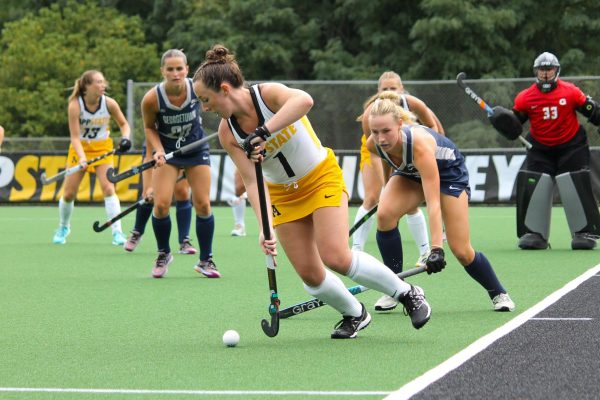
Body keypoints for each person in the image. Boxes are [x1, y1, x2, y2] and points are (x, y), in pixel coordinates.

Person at [192, 44, 431, 339]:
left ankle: (407, 293)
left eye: (206, 99)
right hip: (282, 194)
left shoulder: (267, 95)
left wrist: (264, 132)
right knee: (309, 273)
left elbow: (304, 100)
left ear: (225, 89)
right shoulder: (229, 133)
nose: (205, 107)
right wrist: (264, 227)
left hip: (320, 177)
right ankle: (354, 313)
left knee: (336, 256)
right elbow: (252, 181)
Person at [368, 91, 515, 312]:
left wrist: (436, 249)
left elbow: (433, 201)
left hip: (448, 174)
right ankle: (396, 287)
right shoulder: (374, 144)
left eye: (386, 131)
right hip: (410, 173)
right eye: (375, 131)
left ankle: (499, 293)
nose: (381, 138)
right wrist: (389, 191)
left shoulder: (419, 146)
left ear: (400, 124)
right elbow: (390, 164)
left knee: (461, 250)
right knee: (385, 215)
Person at [489, 52, 600, 250]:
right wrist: (502, 121)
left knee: (575, 183)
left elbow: (592, 110)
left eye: (549, 69)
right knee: (536, 185)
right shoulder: (525, 97)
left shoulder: (571, 92)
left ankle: (584, 232)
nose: (546, 74)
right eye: (542, 70)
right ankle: (535, 233)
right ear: (536, 72)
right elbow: (514, 124)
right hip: (540, 149)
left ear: (557, 71)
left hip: (572, 146)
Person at [354, 71, 445, 312]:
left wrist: (435, 150)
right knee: (378, 203)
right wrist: (390, 184)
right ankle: (387, 278)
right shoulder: (371, 116)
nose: (390, 92)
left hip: (419, 153)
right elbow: (377, 147)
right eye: (386, 88)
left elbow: (435, 127)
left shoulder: (413, 104)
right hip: (388, 155)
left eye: (394, 88)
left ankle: (427, 249)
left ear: (402, 89)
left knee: (415, 205)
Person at [141, 49, 218, 279]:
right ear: (162, 71)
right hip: (169, 154)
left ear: (187, 69)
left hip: (196, 149)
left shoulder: (197, 88)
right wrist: (159, 150)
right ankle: (163, 253)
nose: (175, 73)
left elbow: (217, 103)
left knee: (203, 204)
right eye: (170, 69)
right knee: (161, 205)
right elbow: (148, 128)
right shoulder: (152, 98)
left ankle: (206, 260)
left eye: (180, 69)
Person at [52, 70, 131, 245]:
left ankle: (117, 232)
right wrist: (81, 158)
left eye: (103, 82)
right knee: (69, 193)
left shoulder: (109, 103)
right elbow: (74, 137)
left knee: (109, 189)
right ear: (86, 86)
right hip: (79, 149)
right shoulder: (75, 105)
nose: (103, 85)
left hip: (102, 149)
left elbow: (124, 124)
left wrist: (125, 138)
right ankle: (63, 227)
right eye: (98, 82)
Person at [123, 142, 197, 254]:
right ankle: (137, 232)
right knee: (149, 196)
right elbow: (148, 156)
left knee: (182, 192)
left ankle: (184, 241)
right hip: (157, 150)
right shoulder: (153, 127)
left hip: (181, 145)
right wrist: (147, 187)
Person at [227, 168, 248, 236]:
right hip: (246, 157)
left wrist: (246, 194)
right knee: (239, 188)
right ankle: (239, 225)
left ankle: (267, 227)